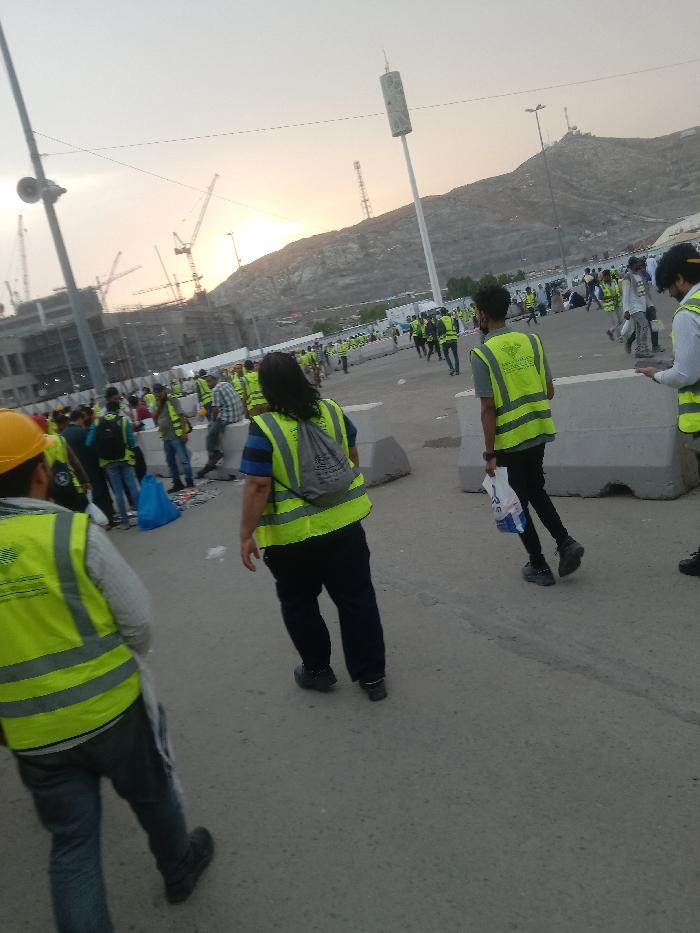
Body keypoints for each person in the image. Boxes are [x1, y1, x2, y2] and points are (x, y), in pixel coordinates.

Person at [0, 410, 214, 931]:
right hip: (114, 710)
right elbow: (138, 623)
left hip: (33, 732)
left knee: (72, 846)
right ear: (41, 471)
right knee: (153, 797)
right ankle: (178, 869)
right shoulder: (70, 532)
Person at [238, 352, 387, 701]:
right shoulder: (332, 411)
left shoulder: (264, 428)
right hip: (344, 527)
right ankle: (372, 677)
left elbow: (258, 486)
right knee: (357, 599)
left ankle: (318, 670)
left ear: (267, 388)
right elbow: (350, 457)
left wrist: (246, 534)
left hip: (293, 541)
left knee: (299, 603)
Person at [470, 284, 584, 586]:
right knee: (536, 490)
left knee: (516, 503)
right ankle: (565, 542)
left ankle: (539, 565)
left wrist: (490, 454)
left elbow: (487, 408)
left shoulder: (482, 354)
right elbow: (549, 391)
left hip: (508, 440)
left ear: (482, 315)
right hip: (538, 430)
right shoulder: (531, 340)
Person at [636, 243, 700, 574]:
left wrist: (657, 374)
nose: (672, 295)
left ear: (680, 279)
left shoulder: (688, 314)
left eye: (671, 289)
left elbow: (685, 375)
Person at [86, 387, 140, 528]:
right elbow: (132, 442)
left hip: (108, 462)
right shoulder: (123, 421)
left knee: (117, 491)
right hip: (125, 458)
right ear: (117, 410)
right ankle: (141, 514)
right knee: (132, 487)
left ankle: (124, 520)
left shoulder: (97, 422)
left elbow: (88, 442)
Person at [197, 369, 244, 479]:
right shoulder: (226, 384)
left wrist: (214, 420)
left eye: (209, 381)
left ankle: (212, 457)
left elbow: (215, 410)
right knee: (211, 427)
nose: (208, 384)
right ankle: (215, 452)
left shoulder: (216, 390)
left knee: (210, 434)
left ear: (215, 379)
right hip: (238, 415)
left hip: (229, 417)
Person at [153, 382, 194, 492]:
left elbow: (181, 416)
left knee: (184, 460)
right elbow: (154, 420)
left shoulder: (172, 400)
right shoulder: (156, 404)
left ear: (164, 391)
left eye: (160, 394)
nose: (159, 396)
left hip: (176, 435)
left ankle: (189, 481)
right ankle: (177, 483)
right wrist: (158, 408)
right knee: (170, 461)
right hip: (166, 438)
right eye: (156, 395)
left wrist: (184, 433)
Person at [622, 256, 655, 359]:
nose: (640, 264)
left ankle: (638, 350)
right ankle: (643, 349)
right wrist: (626, 310)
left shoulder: (639, 275)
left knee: (639, 329)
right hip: (634, 307)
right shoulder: (627, 277)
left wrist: (650, 304)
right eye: (638, 263)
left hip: (642, 306)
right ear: (632, 265)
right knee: (645, 325)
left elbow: (644, 292)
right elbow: (625, 295)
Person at [597, 269, 624, 342]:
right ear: (604, 277)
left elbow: (619, 290)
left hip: (617, 303)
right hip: (609, 307)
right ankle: (619, 337)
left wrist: (624, 296)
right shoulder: (602, 286)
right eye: (606, 277)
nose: (608, 278)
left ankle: (610, 331)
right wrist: (609, 297)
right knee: (616, 322)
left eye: (609, 277)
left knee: (620, 320)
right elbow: (600, 297)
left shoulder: (614, 281)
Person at [438, 308, 460, 375]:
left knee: (446, 355)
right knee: (455, 355)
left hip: (446, 340)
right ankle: (457, 370)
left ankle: (451, 367)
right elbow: (457, 326)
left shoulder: (440, 320)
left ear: (441, 313)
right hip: (453, 338)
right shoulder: (451, 319)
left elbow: (440, 331)